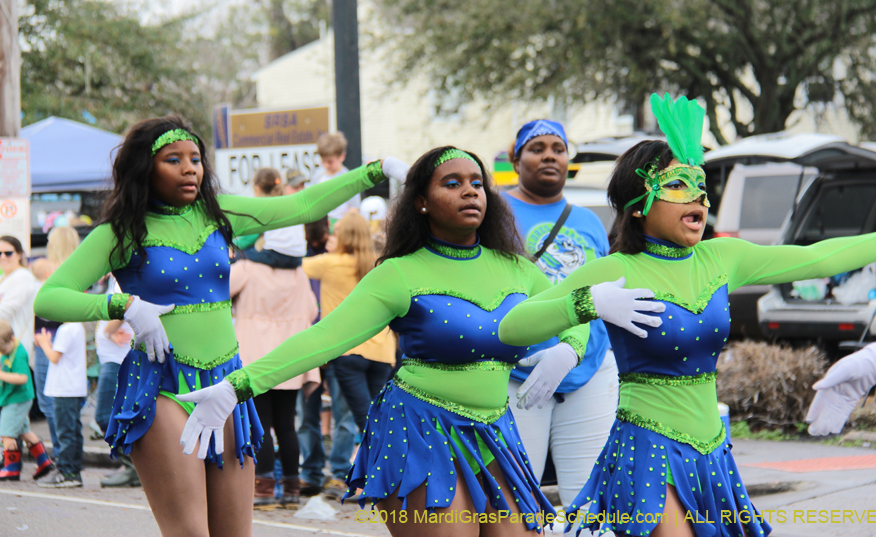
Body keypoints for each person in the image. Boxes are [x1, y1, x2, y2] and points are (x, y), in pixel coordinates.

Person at [178, 146, 652, 536]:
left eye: (477, 182)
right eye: (452, 183)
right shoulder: (399, 274)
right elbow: (323, 338)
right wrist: (235, 387)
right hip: (421, 432)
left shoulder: (519, 269)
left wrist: (568, 349)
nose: (470, 190)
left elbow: (572, 309)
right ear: (420, 201)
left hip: (495, 432)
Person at [499, 93, 876, 537]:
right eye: (678, 186)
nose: (699, 198)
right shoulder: (616, 269)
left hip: (713, 453)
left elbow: (818, 259)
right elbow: (512, 326)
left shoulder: (721, 256)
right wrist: (587, 304)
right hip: (647, 450)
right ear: (639, 203)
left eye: (701, 188)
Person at [32, 116, 408, 536]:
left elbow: (302, 207)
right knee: (191, 533)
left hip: (227, 381)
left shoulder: (219, 213)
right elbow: (49, 296)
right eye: (173, 159)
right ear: (145, 167)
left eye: (195, 158)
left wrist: (376, 169)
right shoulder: (120, 232)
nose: (190, 168)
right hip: (162, 387)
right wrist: (125, 304)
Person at [502, 119, 617, 508]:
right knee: (517, 503)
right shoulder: (494, 212)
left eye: (558, 148)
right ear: (515, 159)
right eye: (537, 148)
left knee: (588, 503)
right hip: (520, 372)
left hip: (589, 372)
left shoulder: (589, 221)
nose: (550, 155)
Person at [230, 253, 320, 509]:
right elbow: (312, 310)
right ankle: (292, 488)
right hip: (290, 356)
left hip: (255, 354)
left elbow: (219, 291)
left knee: (261, 423)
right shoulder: (299, 273)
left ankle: (264, 489)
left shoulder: (248, 268)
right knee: (286, 425)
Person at [302, 213, 397, 443]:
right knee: (377, 418)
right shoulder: (380, 263)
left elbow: (290, 261)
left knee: (366, 422)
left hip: (348, 350)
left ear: (341, 236)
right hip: (382, 351)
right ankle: (381, 472)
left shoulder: (330, 263)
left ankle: (383, 472)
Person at [295, 216, 358, 498]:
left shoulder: (339, 260)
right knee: (308, 413)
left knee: (340, 415)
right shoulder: (300, 259)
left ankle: (339, 473)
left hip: (337, 346)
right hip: (311, 343)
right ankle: (312, 474)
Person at [31, 226, 82, 461]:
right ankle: (66, 456)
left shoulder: (49, 269)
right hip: (67, 336)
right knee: (62, 402)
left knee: (50, 400)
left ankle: (63, 457)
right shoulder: (79, 271)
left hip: (49, 337)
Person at [94, 276, 140, 488]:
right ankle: (133, 468)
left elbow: (126, 306)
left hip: (117, 359)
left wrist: (107, 331)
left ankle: (134, 468)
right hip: (113, 357)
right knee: (114, 415)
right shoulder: (116, 278)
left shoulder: (122, 278)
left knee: (105, 415)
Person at [34, 320, 86, 488]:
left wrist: (43, 343)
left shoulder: (67, 328)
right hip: (72, 387)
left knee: (66, 432)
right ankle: (73, 471)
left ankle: (67, 472)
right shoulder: (76, 326)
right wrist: (48, 343)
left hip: (65, 388)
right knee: (73, 431)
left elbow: (54, 357)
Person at [0, 319, 54, 481]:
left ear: (12, 339)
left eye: (3, 349)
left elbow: (23, 377)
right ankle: (43, 461)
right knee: (24, 431)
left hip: (17, 399)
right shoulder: (8, 350)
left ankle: (11, 467)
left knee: (6, 433)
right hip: (14, 398)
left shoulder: (19, 353)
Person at [237, 168, 307, 269]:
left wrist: (231, 246)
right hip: (298, 257)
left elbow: (249, 237)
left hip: (277, 255)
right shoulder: (290, 202)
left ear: (257, 188)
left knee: (235, 256)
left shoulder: (263, 206)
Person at [0, 236, 38, 368]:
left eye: (8, 253)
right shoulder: (3, 278)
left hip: (16, 348)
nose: (3, 257)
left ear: (19, 254)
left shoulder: (23, 276)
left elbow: (5, 311)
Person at [313, 132, 361, 228]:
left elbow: (355, 208)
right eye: (323, 161)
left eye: (330, 162)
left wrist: (341, 224)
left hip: (343, 226)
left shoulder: (349, 178)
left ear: (342, 156)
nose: (326, 165)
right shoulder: (318, 176)